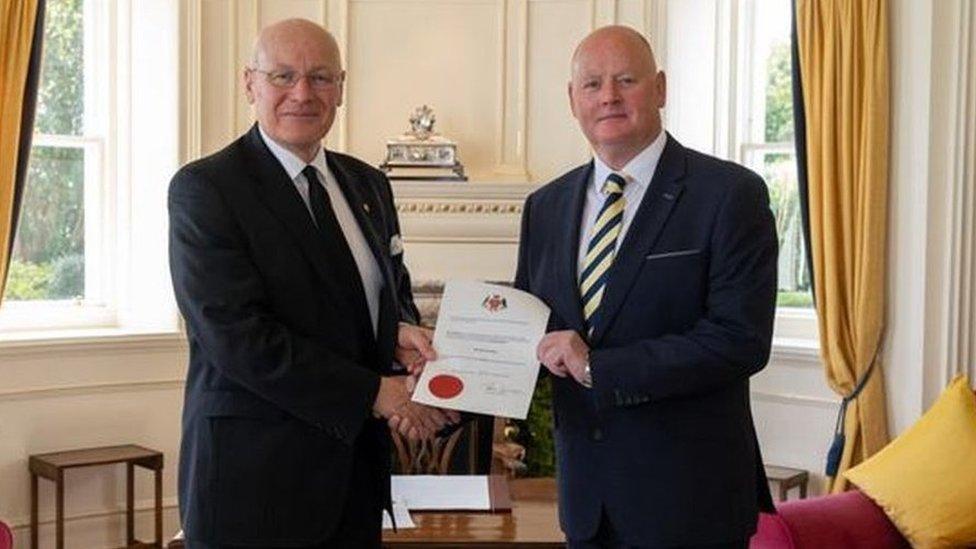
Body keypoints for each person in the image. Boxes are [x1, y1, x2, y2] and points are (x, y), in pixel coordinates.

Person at [168, 18, 456, 548]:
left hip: (354, 483)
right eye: (283, 76)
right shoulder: (207, 189)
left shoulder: (368, 184)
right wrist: (380, 393)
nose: (302, 93)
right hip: (251, 488)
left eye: (321, 78)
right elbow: (237, 337)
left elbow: (382, 292)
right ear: (249, 83)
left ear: (341, 88)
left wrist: (401, 330)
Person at [514, 26, 777, 548]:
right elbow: (529, 328)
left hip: (691, 502)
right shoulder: (545, 207)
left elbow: (738, 339)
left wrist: (597, 367)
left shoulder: (728, 195)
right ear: (572, 100)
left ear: (660, 88)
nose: (608, 96)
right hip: (587, 505)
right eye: (591, 84)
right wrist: (452, 376)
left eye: (626, 80)